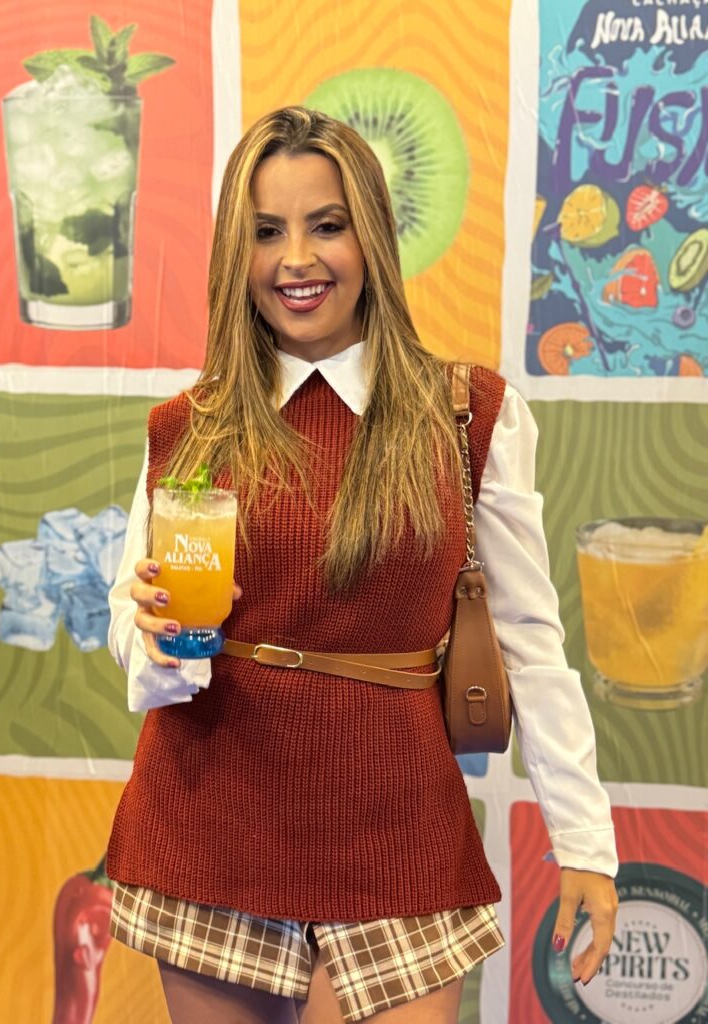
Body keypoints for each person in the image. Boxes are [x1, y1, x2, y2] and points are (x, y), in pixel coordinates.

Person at [104, 105, 618, 1023]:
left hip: (398, 836)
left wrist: (583, 841)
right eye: (267, 231)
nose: (296, 259)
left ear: (371, 235)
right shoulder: (189, 425)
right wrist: (157, 639)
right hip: (209, 826)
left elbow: (529, 642)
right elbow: (136, 643)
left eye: (326, 225)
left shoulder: (468, 414)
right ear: (235, 253)